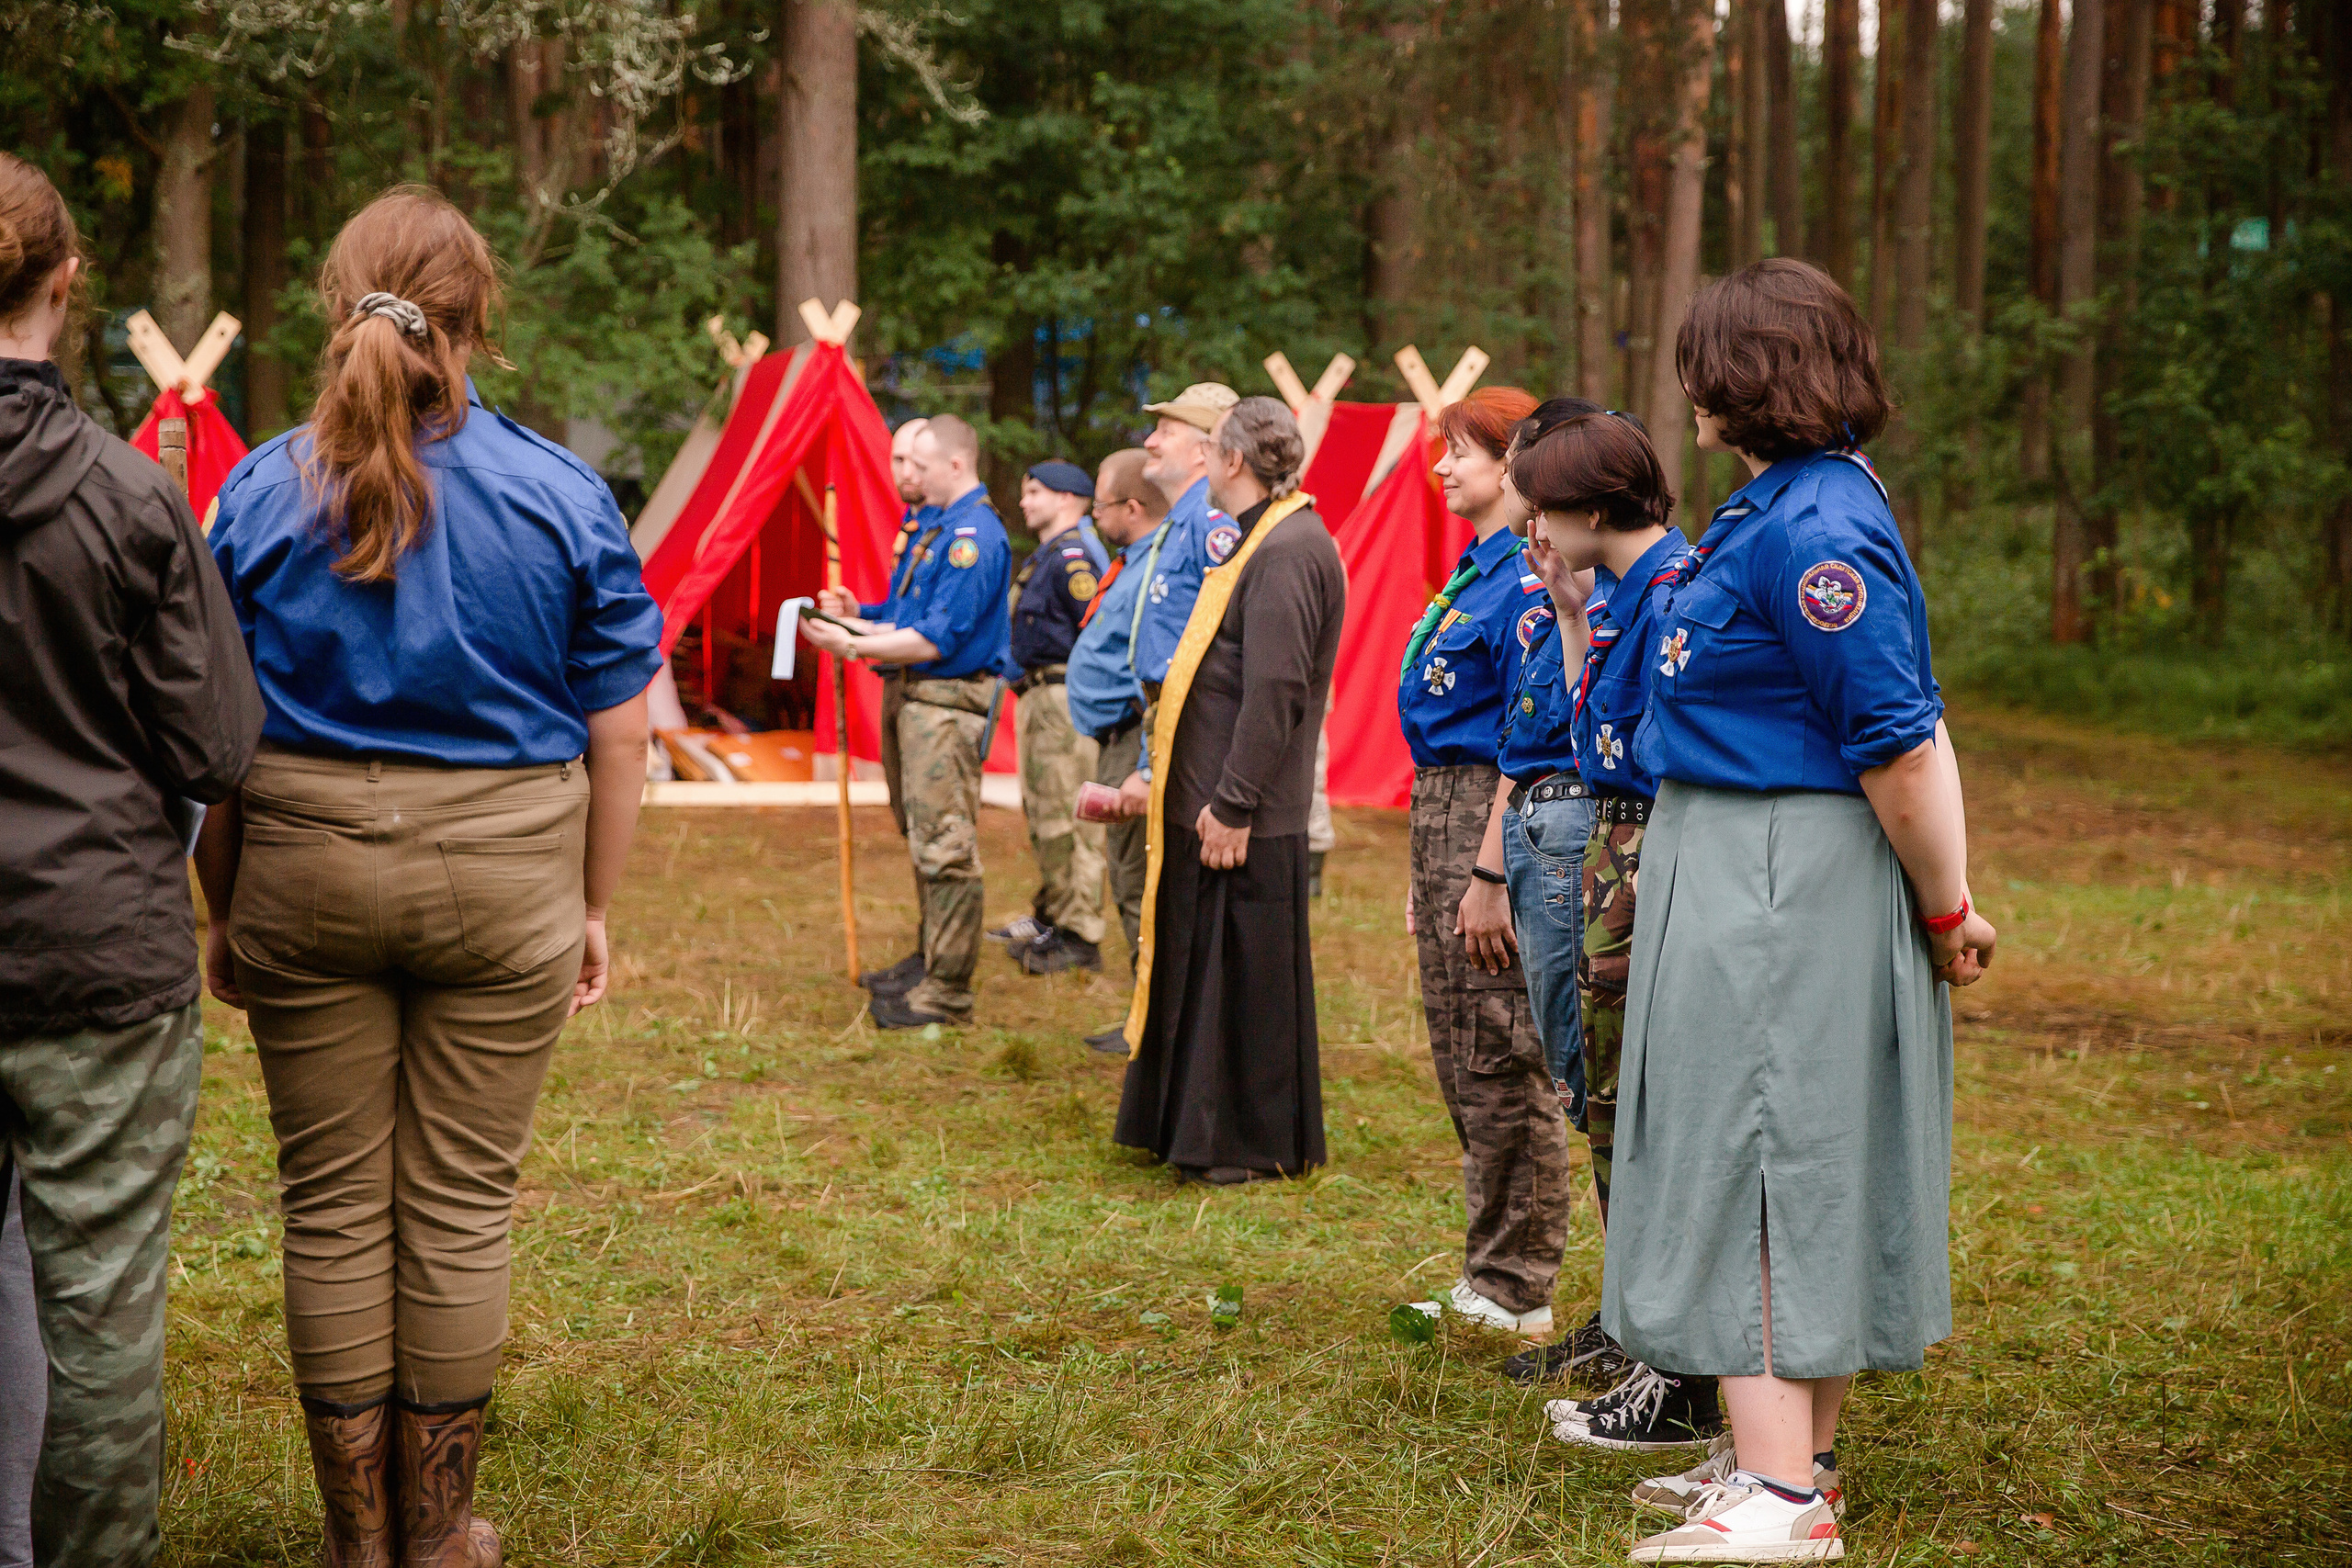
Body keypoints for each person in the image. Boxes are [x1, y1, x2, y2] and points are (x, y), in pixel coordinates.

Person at [197, 186, 662, 1564]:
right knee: (460, 1201)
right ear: (476, 318)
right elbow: (621, 720)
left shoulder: (257, 487)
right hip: (507, 865)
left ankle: (359, 1537)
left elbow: (217, 734)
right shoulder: (563, 491)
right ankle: (442, 1530)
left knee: (332, 1199)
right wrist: (590, 901)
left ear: (339, 304)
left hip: (300, 860)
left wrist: (229, 906)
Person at [1578, 259, 1996, 1563]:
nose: (1689, 388)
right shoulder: (1781, 508)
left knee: (1758, 1145)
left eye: (1704, 362)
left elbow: (1902, 742)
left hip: (1781, 874)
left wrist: (1947, 907)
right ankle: (1786, 1454)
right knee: (1777, 1137)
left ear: (1749, 375)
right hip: (1748, 855)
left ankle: (1780, 1499)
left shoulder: (1817, 530)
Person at [0, 152, 266, 1567]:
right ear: (66, 285)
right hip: (97, 951)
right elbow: (219, 746)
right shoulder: (130, 497)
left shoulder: (129, 496)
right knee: (99, 1306)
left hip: (91, 953)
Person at [1502, 412, 1736, 1456]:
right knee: (1604, 1099)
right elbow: (1589, 721)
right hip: (1615, 847)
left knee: (1643, 1109)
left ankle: (1676, 1368)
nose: (1534, 525)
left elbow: (1662, 749)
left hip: (1649, 854)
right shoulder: (1616, 594)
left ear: (1594, 508)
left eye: (1545, 507)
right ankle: (1653, 1343)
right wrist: (1565, 612)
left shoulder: (1675, 589)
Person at [1113, 398, 1344, 1183]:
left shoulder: (1287, 550)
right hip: (1213, 800)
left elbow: (1276, 688)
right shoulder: (1262, 539)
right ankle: (1197, 1128)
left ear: (1234, 461)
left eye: (1208, 449)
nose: (1201, 464)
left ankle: (1242, 1141)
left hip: (1245, 813)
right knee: (1208, 972)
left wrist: (1236, 800)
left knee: (1240, 981)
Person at [1390, 387, 1572, 1341]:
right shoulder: (1478, 569)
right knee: (1459, 1049)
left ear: (1512, 462)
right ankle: (1488, 1265)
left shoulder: (1530, 577)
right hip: (1444, 810)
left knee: (1500, 1048)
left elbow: (1526, 733)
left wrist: (1484, 871)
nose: (1441, 467)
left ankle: (1518, 1282)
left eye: (1460, 450)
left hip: (1488, 810)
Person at [807, 414, 1012, 1028]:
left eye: (919, 464)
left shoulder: (972, 536)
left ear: (954, 463)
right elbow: (906, 613)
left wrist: (853, 645)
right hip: (917, 701)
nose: (908, 475)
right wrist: (859, 618)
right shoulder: (938, 528)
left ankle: (948, 989)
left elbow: (931, 639)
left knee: (946, 846)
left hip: (944, 705)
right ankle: (931, 960)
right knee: (924, 837)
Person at [1062, 449, 1172, 1051]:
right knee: (1125, 876)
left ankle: (1153, 1027)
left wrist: (1144, 763)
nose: (1094, 514)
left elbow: (1157, 670)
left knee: (1136, 881)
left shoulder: (1158, 571)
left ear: (1132, 508)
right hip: (1115, 737)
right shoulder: (1130, 562)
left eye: (1101, 504)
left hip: (1134, 737)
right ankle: (1145, 1015)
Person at [989, 459, 1112, 976]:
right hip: (1039, 698)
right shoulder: (1046, 557)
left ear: (1066, 498)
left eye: (1034, 491)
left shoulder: (1075, 559)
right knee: (1045, 814)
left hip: (1065, 701)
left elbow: (1097, 631)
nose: (1024, 501)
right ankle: (1057, 917)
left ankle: (1081, 934)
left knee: (1071, 818)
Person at [1111, 380, 1238, 819]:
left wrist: (1150, 771)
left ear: (1204, 451)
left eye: (1166, 431)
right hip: (1167, 720)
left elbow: (1223, 643)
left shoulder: (1211, 523)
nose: (1150, 441)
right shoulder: (1181, 522)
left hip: (1192, 726)